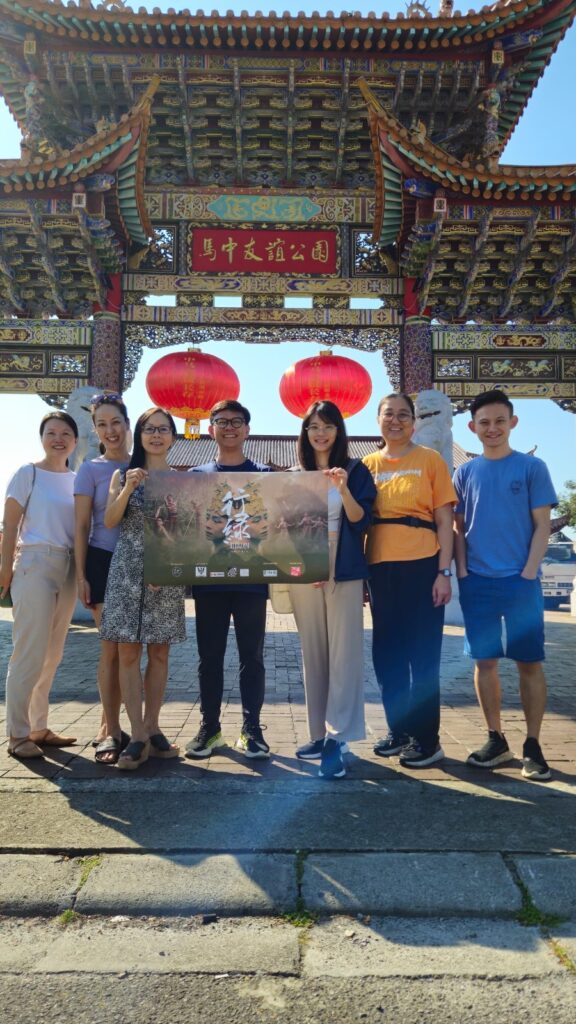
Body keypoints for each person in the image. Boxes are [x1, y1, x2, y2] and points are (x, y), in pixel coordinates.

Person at [453, 389, 557, 782]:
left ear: (513, 423)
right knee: (484, 662)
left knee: (529, 661)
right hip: (477, 581)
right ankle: (495, 739)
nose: (492, 428)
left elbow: (543, 526)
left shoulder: (532, 468)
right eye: (484, 422)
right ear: (472, 427)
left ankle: (533, 744)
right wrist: (463, 572)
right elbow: (459, 528)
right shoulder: (464, 473)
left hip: (520, 582)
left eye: (499, 421)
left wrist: (528, 573)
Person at [363, 393, 456, 768]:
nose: (396, 421)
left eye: (404, 415)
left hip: (422, 565)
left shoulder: (430, 460)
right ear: (378, 420)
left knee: (423, 656)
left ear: (414, 421)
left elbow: (445, 521)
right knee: (388, 656)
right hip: (380, 568)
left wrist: (443, 572)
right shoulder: (367, 465)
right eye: (389, 414)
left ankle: (427, 740)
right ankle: (398, 730)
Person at [291, 401, 376, 780]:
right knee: (313, 654)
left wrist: (342, 489)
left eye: (327, 426)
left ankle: (338, 737)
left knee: (344, 654)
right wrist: (304, 563)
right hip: (306, 570)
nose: (320, 433)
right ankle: (317, 733)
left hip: (344, 568)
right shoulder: (295, 475)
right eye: (313, 426)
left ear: (339, 431)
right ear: (305, 433)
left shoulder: (355, 470)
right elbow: (285, 527)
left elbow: (361, 520)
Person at [185, 399, 271, 761]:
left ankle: (252, 730)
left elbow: (276, 525)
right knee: (209, 657)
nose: (229, 427)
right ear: (211, 430)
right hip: (210, 579)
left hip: (252, 578)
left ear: (248, 430)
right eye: (222, 421)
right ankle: (210, 728)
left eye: (237, 422)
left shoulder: (264, 475)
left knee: (252, 656)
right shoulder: (196, 475)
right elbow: (188, 527)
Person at [100, 407, 186, 770]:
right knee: (127, 652)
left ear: (173, 437)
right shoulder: (122, 475)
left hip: (165, 573)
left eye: (163, 429)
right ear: (139, 435)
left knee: (160, 652)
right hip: (127, 569)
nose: (156, 435)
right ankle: (136, 734)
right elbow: (110, 520)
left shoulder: (182, 481)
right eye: (149, 429)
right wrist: (128, 489)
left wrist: (166, 568)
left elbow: (185, 533)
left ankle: (152, 726)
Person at [1, 411, 79, 759]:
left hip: (68, 567)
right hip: (34, 563)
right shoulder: (27, 473)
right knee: (29, 653)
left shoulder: (77, 479)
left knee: (52, 654)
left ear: (75, 441)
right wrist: (5, 569)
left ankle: (38, 727)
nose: (58, 439)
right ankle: (17, 735)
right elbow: (9, 525)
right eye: (51, 432)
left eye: (65, 433)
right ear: (42, 438)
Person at [74, 393, 131, 764]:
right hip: (102, 561)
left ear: (127, 424)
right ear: (95, 430)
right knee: (110, 647)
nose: (110, 431)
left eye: (115, 422)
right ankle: (111, 730)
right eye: (102, 424)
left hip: (140, 564)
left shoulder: (144, 463)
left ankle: (115, 724)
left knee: (131, 650)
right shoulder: (89, 469)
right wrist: (81, 575)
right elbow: (81, 527)